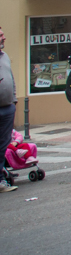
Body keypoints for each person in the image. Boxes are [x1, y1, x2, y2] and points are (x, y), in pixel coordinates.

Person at [0, 26, 19, 193]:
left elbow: (10, 78)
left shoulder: (4, 57)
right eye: (1, 35)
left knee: (2, 145)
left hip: (7, 108)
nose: (4, 38)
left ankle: (0, 178)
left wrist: (13, 100)